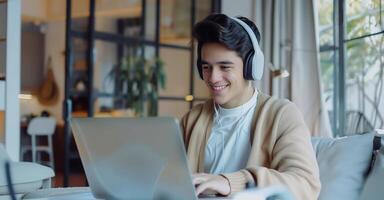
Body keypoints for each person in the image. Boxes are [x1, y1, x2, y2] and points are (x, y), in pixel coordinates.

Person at [180, 13, 321, 200]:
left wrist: (231, 183)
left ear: (251, 66)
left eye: (225, 67)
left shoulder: (281, 115)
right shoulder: (192, 119)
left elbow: (305, 183)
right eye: (206, 67)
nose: (213, 78)